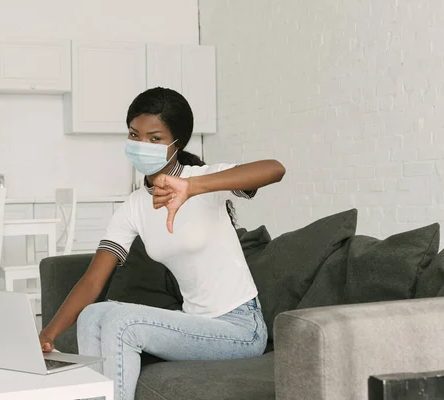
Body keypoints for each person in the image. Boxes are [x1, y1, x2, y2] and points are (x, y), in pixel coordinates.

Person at [39, 87, 286, 400]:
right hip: (193, 322)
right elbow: (93, 280)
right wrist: (48, 334)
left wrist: (192, 187)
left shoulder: (205, 180)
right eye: (134, 135)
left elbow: (274, 169)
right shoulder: (133, 206)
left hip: (240, 328)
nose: (143, 145)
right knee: (92, 315)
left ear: (177, 143)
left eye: (155, 138)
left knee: (122, 323)